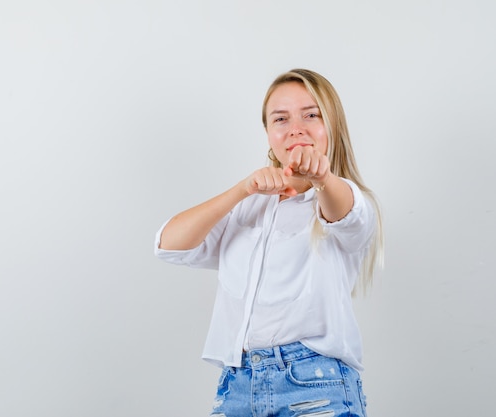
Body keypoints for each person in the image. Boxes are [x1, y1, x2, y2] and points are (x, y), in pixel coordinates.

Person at [154, 68, 383, 417]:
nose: (295, 128)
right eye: (281, 118)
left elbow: (346, 215)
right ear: (268, 133)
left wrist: (321, 176)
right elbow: (168, 244)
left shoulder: (345, 198)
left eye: (311, 115)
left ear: (332, 125)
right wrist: (243, 189)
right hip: (237, 385)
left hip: (314, 383)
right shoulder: (247, 207)